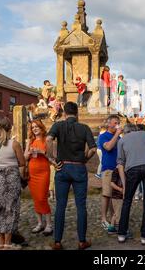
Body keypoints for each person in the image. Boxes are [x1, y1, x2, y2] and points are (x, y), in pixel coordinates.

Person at [46, 102, 97, 250]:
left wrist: (51, 158)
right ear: (77, 113)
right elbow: (93, 149)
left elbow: (48, 139)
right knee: (81, 205)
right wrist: (85, 159)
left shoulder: (58, 125)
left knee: (60, 205)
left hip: (62, 167)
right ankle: (82, 241)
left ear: (64, 113)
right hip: (79, 168)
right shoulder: (84, 128)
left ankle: (57, 241)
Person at [116, 124, 145, 245]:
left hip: (132, 170)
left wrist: (124, 184)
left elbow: (120, 162)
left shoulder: (122, 140)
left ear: (125, 132)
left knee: (127, 201)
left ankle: (121, 234)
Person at [0, 117, 26, 250]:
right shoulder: (14, 144)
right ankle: (7, 243)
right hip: (12, 177)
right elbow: (22, 163)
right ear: (10, 128)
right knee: (11, 209)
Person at [24, 120, 52, 236]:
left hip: (43, 171)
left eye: (37, 127)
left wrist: (41, 152)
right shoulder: (30, 141)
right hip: (32, 172)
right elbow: (25, 156)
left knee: (42, 197)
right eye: (33, 127)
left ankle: (49, 224)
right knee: (36, 198)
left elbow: (51, 157)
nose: (35, 129)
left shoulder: (47, 140)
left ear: (41, 127)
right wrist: (29, 152)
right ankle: (40, 223)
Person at [98, 115, 122, 231]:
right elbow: (108, 147)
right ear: (109, 124)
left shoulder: (119, 138)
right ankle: (103, 218)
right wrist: (117, 134)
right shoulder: (103, 136)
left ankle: (114, 219)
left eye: (118, 122)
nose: (117, 124)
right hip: (108, 169)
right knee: (106, 194)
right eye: (115, 122)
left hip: (118, 169)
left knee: (115, 196)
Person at [107, 164, 124, 235]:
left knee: (117, 212)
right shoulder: (116, 171)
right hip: (116, 196)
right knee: (118, 213)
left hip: (120, 196)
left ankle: (111, 227)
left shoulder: (124, 171)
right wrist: (120, 189)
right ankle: (118, 228)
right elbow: (112, 183)